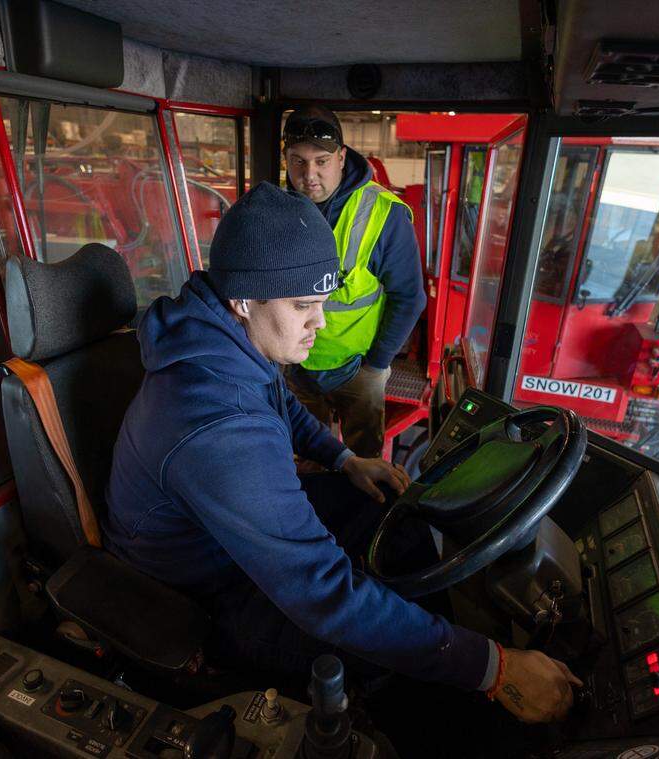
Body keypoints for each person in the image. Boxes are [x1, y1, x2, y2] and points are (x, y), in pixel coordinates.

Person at [104, 182, 579, 725]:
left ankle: (431, 634)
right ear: (244, 300)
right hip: (206, 587)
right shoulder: (218, 425)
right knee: (380, 664)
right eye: (303, 305)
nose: (322, 322)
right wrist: (491, 667)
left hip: (224, 533)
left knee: (390, 511)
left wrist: (343, 459)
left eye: (323, 301)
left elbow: (279, 400)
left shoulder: (222, 337)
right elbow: (320, 591)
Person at [281, 105, 426, 458]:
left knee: (365, 463)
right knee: (306, 458)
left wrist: (376, 364)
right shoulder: (275, 208)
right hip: (295, 366)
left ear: (342, 157)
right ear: (286, 159)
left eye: (321, 161)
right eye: (298, 161)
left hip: (357, 369)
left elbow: (409, 297)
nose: (309, 175)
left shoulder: (383, 214)